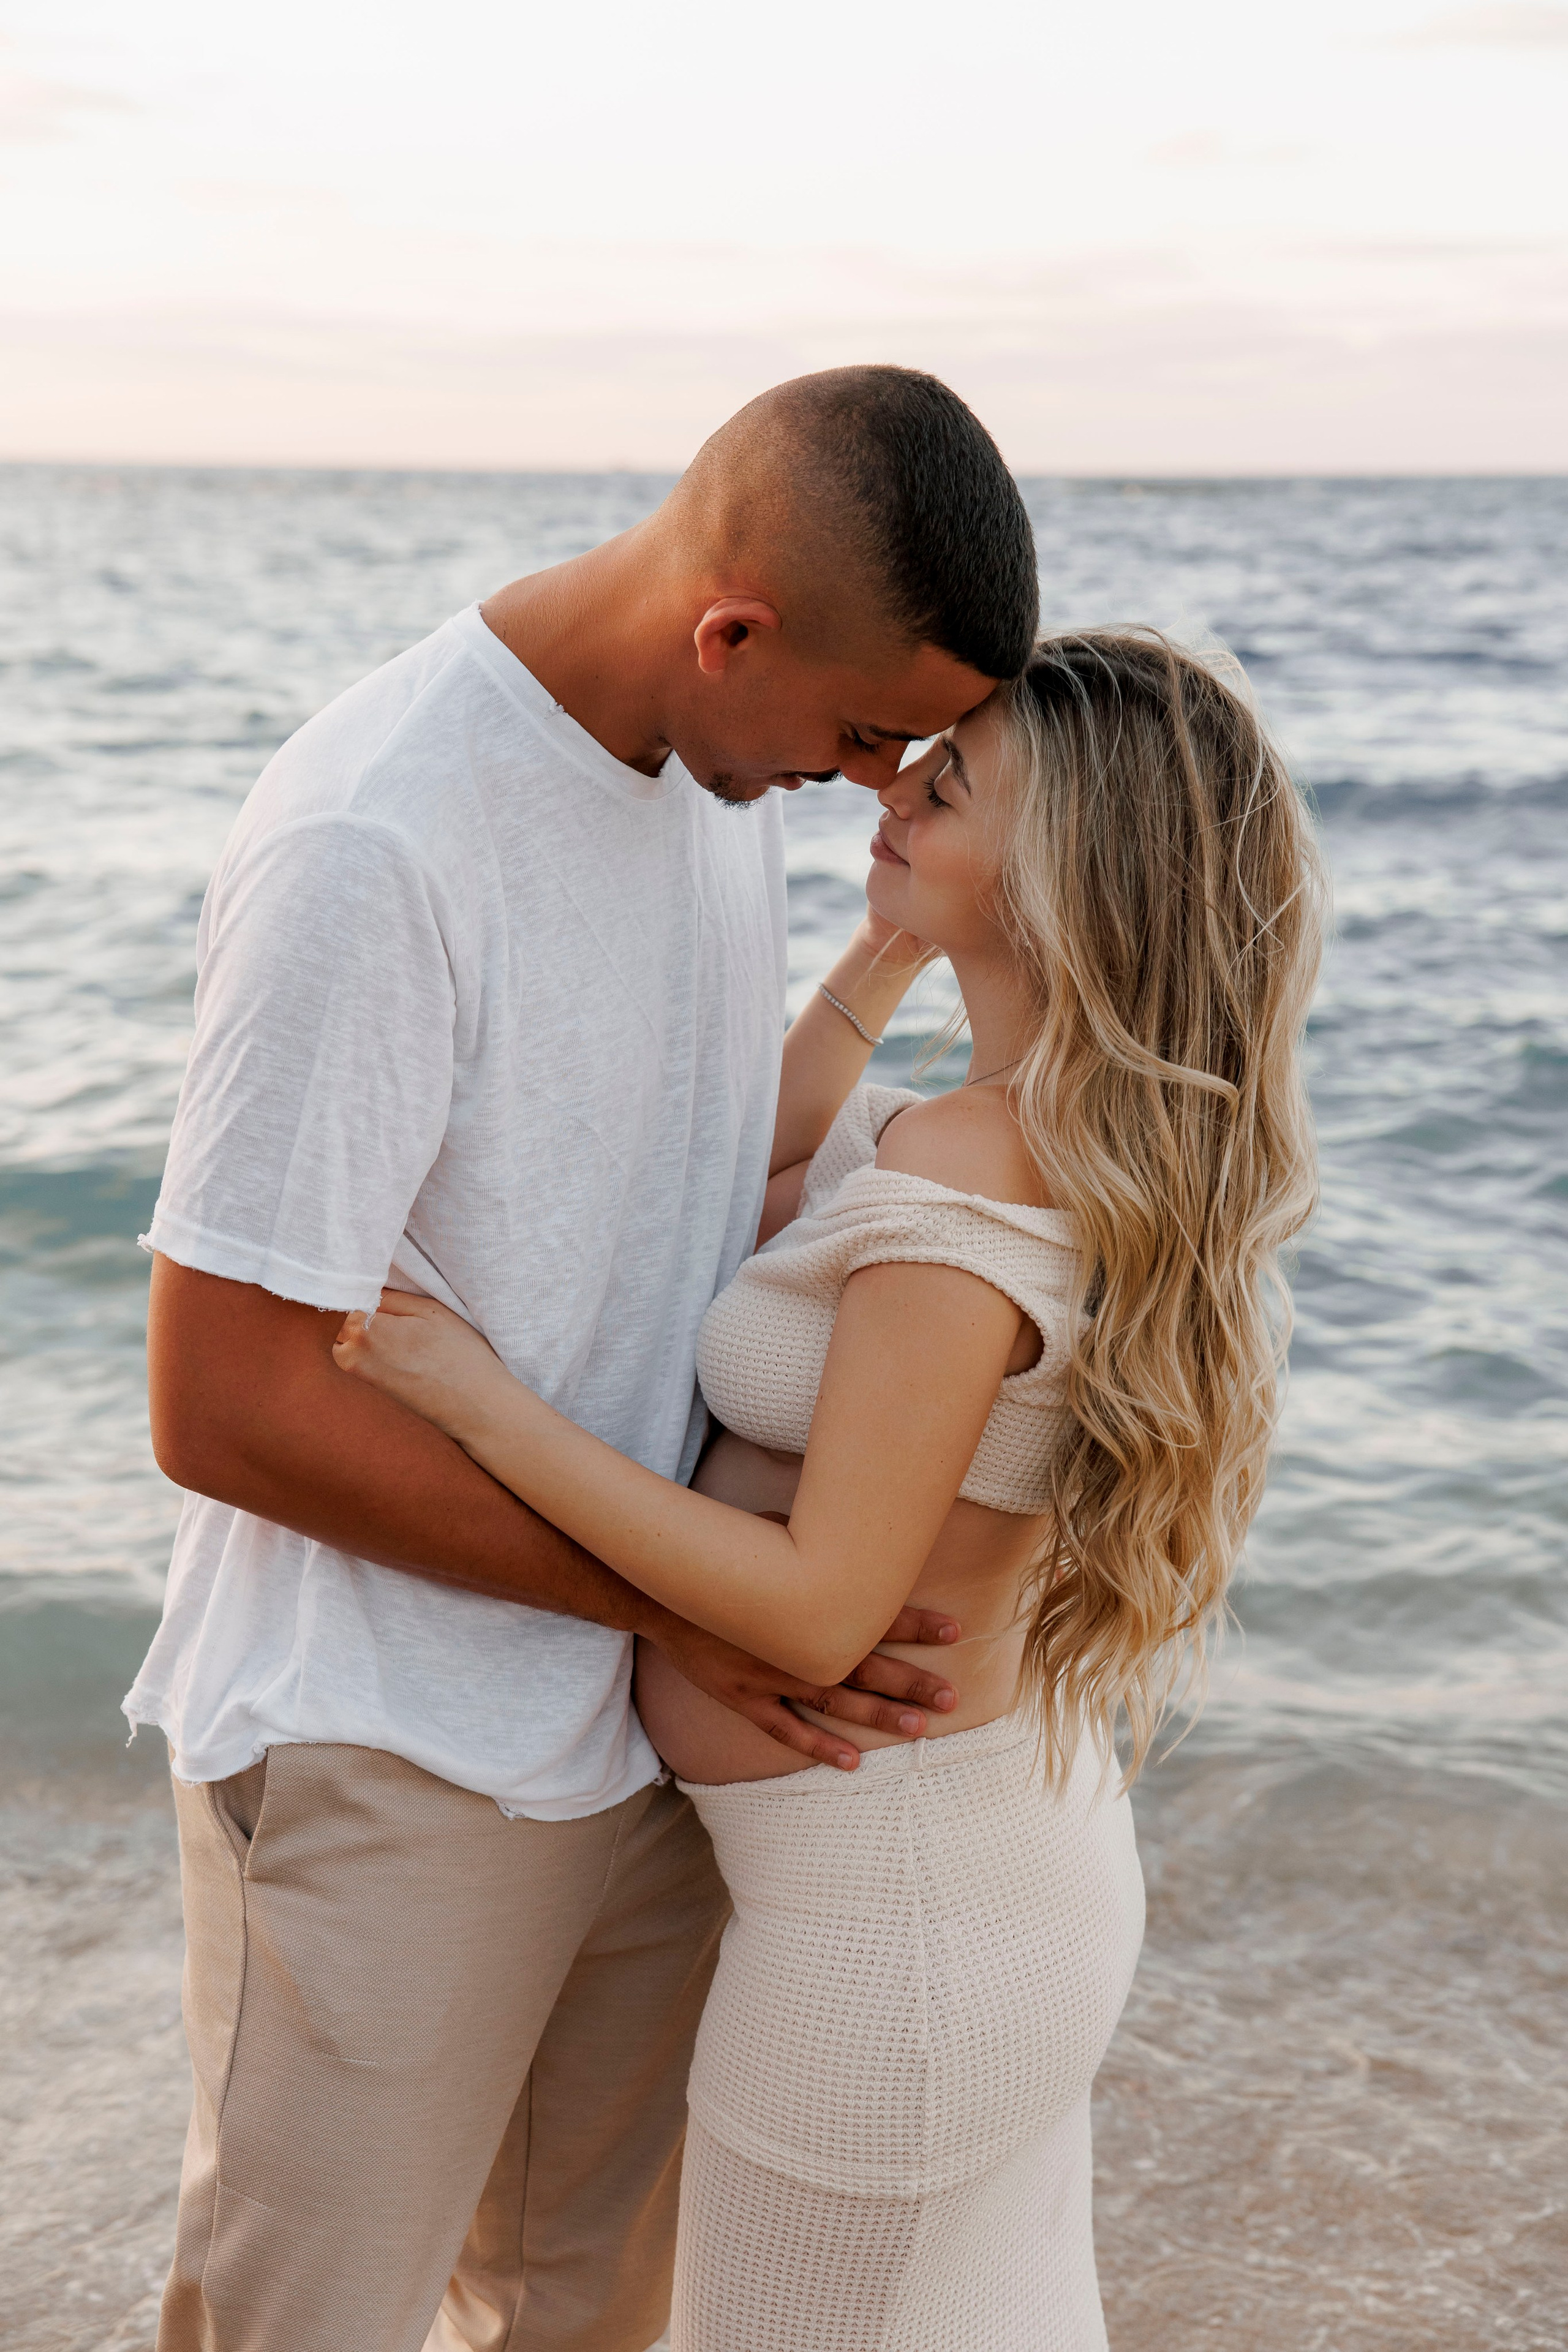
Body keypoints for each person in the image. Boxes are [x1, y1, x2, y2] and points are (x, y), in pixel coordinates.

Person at [127, 366, 1042, 2352]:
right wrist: (682, 1610)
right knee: (305, 2324)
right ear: (735, 628)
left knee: (579, 2319)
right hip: (399, 1736)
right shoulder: (382, 837)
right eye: (870, 731)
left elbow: (693, 1168)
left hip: (643, 1731)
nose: (878, 777)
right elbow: (221, 1404)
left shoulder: (720, 782)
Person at [336, 628, 1327, 2351]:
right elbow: (774, 1156)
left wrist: (479, 1406)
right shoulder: (1027, 1129)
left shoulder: (973, 1169)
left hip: (896, 1939)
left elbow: (816, 1607)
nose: (888, 789)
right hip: (982, 1871)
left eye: (946, 791)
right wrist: (887, 938)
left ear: (1066, 881)